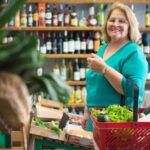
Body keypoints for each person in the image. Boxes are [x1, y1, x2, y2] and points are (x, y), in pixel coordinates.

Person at [82, 2, 148, 131]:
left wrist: (105, 69)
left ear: (130, 26)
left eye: (122, 21)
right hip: (95, 119)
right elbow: (94, 84)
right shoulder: (103, 48)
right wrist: (86, 111)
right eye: (112, 20)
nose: (115, 24)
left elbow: (133, 90)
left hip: (116, 125)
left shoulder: (134, 53)